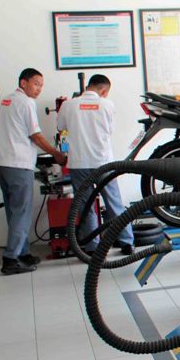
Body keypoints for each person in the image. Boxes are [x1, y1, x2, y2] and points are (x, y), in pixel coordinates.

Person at [0, 68, 66, 275]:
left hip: (1, 162)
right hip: (17, 162)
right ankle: (10, 259)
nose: (39, 89)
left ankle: (22, 252)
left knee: (13, 211)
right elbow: (35, 135)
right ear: (23, 83)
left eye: (41, 85)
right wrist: (56, 153)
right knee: (21, 212)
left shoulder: (6, 100)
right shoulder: (26, 102)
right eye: (35, 83)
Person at [56, 74, 135, 255]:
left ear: (88, 86)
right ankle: (127, 242)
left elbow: (61, 128)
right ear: (104, 90)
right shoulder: (107, 105)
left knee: (85, 205)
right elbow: (110, 130)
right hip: (103, 162)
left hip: (79, 163)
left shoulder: (68, 105)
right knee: (114, 202)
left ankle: (92, 247)